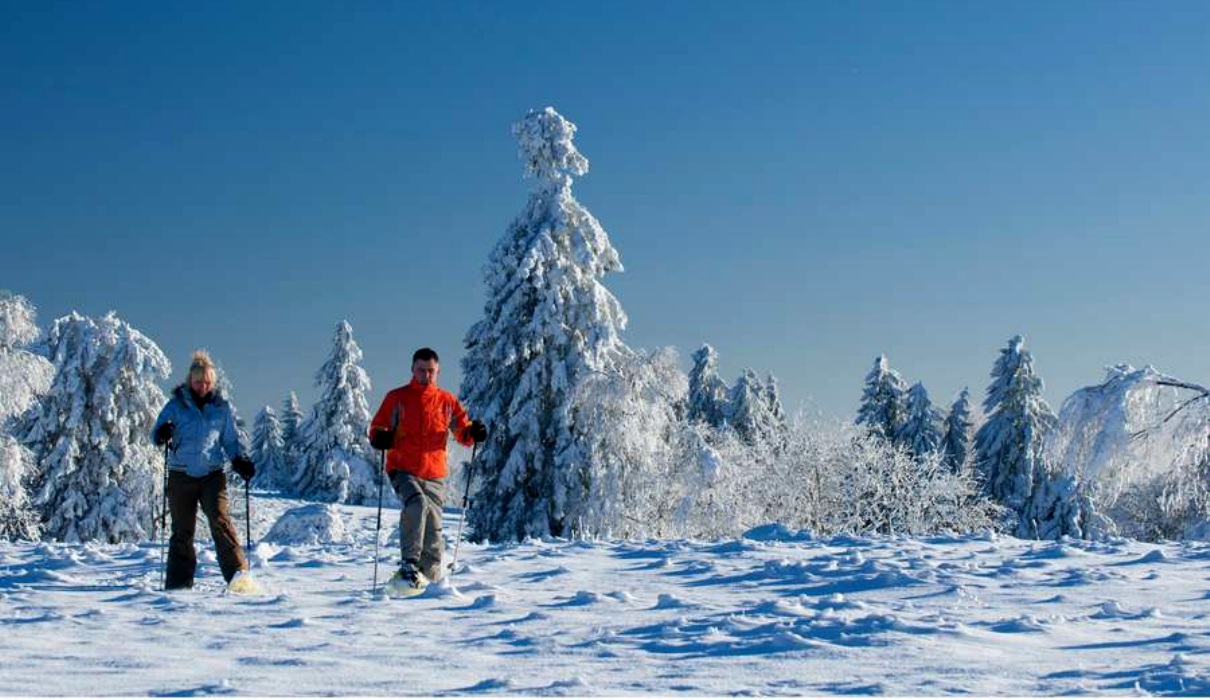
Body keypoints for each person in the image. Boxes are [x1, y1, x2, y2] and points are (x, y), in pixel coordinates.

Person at [369, 347, 487, 590]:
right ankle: (409, 566)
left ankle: (429, 581)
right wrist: (380, 438)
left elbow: (463, 431)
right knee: (417, 504)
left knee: (434, 531)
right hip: (403, 468)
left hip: (434, 473)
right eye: (421, 370)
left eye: (431, 371)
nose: (426, 375)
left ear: (438, 371)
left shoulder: (447, 401)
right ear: (413, 370)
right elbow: (377, 427)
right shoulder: (397, 398)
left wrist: (474, 432)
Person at [151, 350, 256, 590]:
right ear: (190, 381)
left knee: (220, 521)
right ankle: (178, 585)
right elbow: (156, 432)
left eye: (207, 382)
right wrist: (162, 433)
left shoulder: (221, 408)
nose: (202, 386)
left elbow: (229, 441)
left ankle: (239, 578)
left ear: (213, 382)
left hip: (212, 474)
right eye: (198, 382)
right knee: (182, 530)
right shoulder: (176, 406)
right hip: (181, 475)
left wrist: (239, 461)